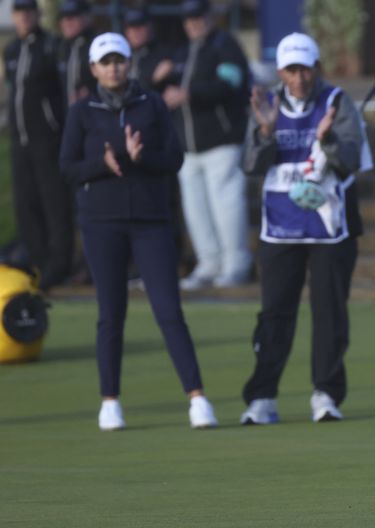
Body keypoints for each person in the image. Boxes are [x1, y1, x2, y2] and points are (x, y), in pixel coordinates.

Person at [59, 32, 218, 431]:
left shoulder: (150, 104)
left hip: (150, 221)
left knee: (169, 311)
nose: (114, 67)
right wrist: (103, 163)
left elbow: (175, 158)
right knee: (111, 314)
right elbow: (68, 168)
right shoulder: (82, 111)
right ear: (94, 68)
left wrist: (141, 158)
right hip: (102, 222)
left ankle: (197, 398)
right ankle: (110, 401)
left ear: (129, 63)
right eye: (106, 62)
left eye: (120, 60)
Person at [239, 32, 364, 424]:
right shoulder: (267, 103)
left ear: (316, 68)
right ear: (280, 71)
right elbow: (250, 165)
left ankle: (326, 394)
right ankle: (262, 398)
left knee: (329, 312)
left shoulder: (337, 102)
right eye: (291, 70)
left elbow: (351, 159)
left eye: (305, 69)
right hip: (280, 226)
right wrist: (264, 133)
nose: (298, 77)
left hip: (329, 225)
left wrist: (326, 139)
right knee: (275, 313)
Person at [160, 0, 252, 289]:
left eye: (198, 18)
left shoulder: (225, 46)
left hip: (221, 142)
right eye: (188, 19)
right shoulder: (184, 51)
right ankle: (209, 262)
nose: (193, 24)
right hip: (188, 146)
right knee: (196, 209)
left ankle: (236, 262)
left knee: (226, 205)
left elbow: (231, 83)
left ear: (210, 18)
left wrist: (190, 94)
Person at [2, 0, 73, 291]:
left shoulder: (51, 46)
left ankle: (60, 264)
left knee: (54, 203)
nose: (24, 18)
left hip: (48, 139)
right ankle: (37, 261)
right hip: (20, 141)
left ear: (36, 15)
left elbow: (61, 90)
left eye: (29, 12)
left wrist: (59, 128)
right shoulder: (12, 50)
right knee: (26, 204)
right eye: (19, 13)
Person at [122, 7, 172, 92]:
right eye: (131, 27)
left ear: (150, 27)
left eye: (140, 27)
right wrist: (151, 79)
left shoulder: (163, 55)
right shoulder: (122, 55)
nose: (135, 32)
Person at [57, 0, 95, 106]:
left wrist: (92, 92)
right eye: (64, 18)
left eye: (73, 17)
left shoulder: (97, 45)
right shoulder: (60, 47)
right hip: (68, 117)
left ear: (87, 17)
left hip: (94, 115)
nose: (67, 22)